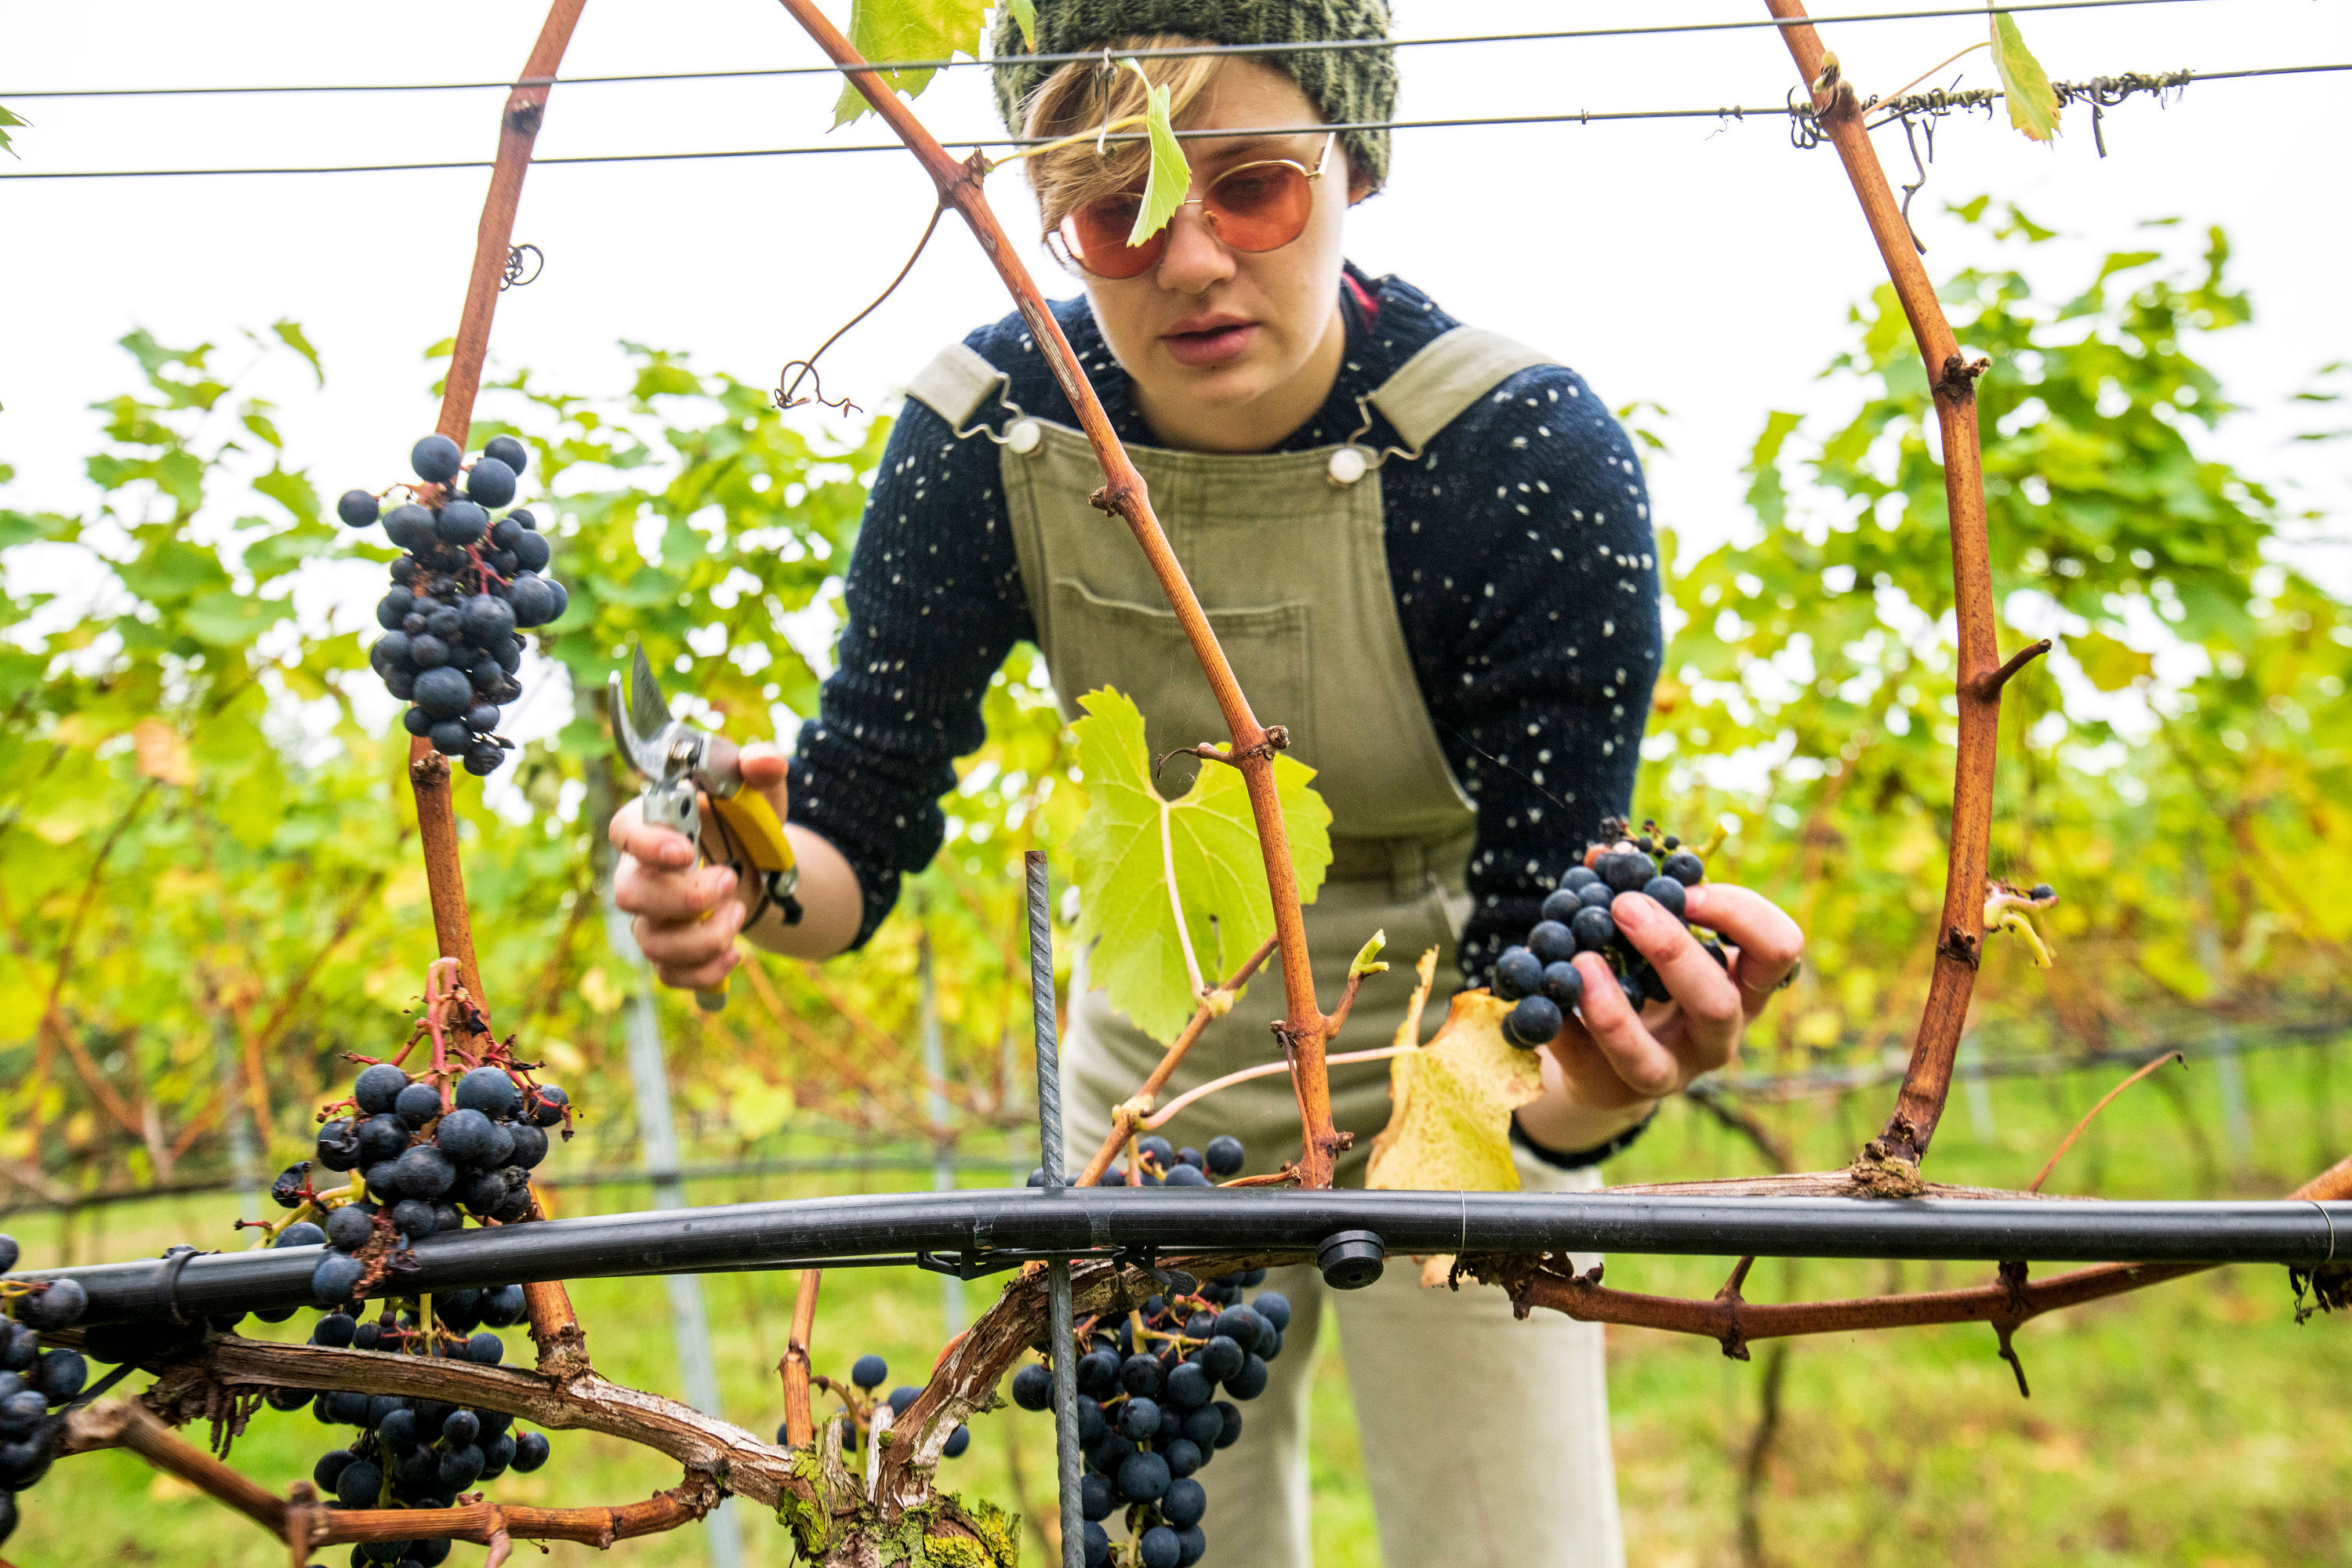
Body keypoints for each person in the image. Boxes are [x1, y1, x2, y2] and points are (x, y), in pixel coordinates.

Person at [610, 4, 1804, 1564]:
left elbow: (1538, 954)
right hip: (1164, 1062)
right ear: (1048, 212)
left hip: (1457, 1052)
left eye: (1250, 185)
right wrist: (739, 883)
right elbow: (846, 844)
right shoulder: (985, 433)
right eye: (1116, 202)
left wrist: (1590, 1091)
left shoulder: (1516, 447)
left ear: (1352, 163)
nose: (1185, 259)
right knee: (1169, 1535)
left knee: (1509, 1534)